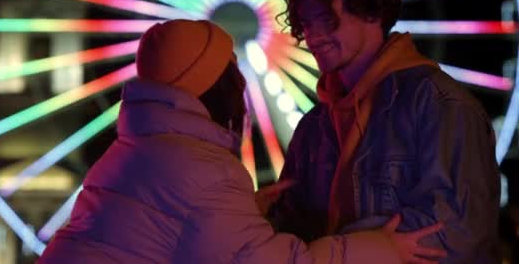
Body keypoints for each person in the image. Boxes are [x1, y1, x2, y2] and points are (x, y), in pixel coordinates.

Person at [39, 19, 445, 263]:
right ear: (212, 85)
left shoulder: (131, 151)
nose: (243, 82)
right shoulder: (205, 173)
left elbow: (162, 225)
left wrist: (246, 208)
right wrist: (380, 250)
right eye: (231, 69)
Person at [265, 0, 501, 263]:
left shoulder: (439, 104)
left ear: (371, 13)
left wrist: (341, 250)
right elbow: (288, 230)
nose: (313, 36)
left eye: (326, 19)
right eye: (306, 24)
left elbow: (456, 232)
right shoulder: (314, 127)